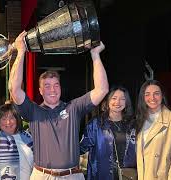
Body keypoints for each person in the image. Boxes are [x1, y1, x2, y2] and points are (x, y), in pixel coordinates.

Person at [9, 31, 109, 180]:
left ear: (60, 87)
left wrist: (95, 55)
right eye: (47, 86)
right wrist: (21, 52)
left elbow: (102, 89)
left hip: (73, 175)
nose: (52, 90)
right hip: (43, 175)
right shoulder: (33, 111)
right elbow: (14, 89)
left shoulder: (73, 108)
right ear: (40, 91)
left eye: (56, 85)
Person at [0, 66, 33, 180]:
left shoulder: (28, 137)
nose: (8, 122)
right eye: (3, 118)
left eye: (12, 117)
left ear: (17, 119)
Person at [80, 86, 136, 180]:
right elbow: (82, 148)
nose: (118, 102)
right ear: (107, 100)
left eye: (122, 99)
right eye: (114, 98)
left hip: (128, 176)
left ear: (127, 102)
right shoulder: (96, 124)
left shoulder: (133, 125)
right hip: (101, 175)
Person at [135, 80, 171, 180]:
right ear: (142, 97)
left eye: (156, 93)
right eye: (147, 94)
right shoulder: (139, 121)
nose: (152, 98)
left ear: (162, 96)